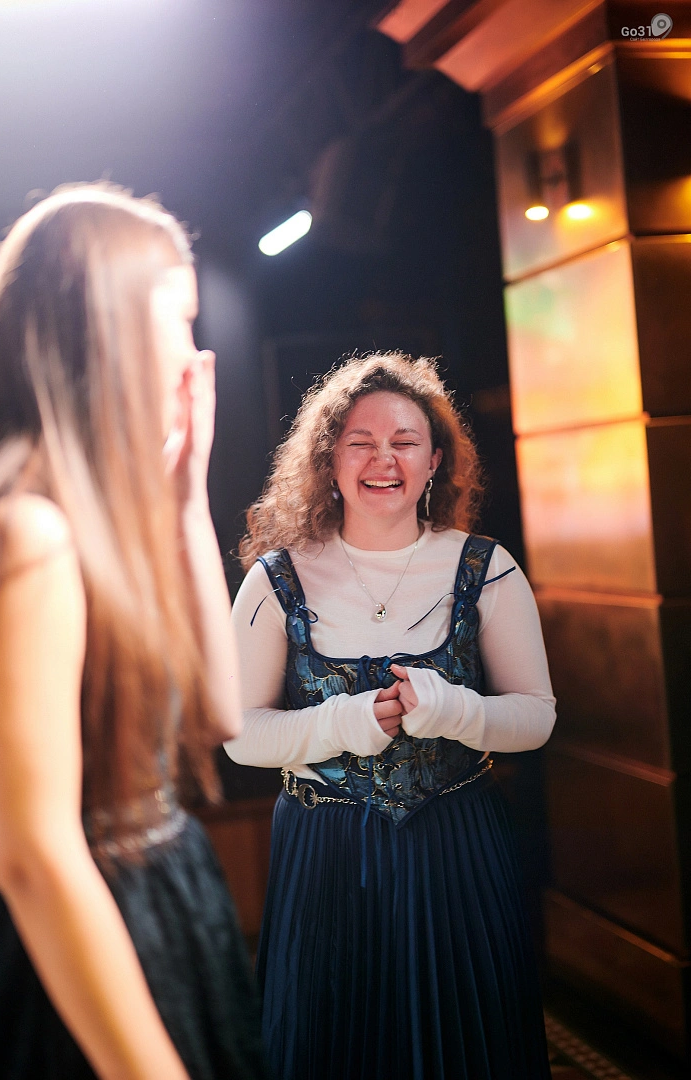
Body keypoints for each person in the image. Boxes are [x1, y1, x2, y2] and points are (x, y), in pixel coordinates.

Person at [0, 186, 270, 1080]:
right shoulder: (25, 533)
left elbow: (221, 715)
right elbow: (32, 855)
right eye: (178, 321)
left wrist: (186, 503)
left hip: (163, 909)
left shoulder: (94, 524)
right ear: (107, 329)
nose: (195, 356)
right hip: (78, 945)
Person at [226, 352, 556, 1080]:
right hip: (325, 855)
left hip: (458, 844)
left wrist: (455, 711)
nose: (384, 459)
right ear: (329, 460)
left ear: (434, 460)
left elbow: (536, 718)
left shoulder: (486, 567)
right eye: (361, 442)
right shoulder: (276, 579)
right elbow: (238, 734)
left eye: (405, 441)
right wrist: (337, 725)